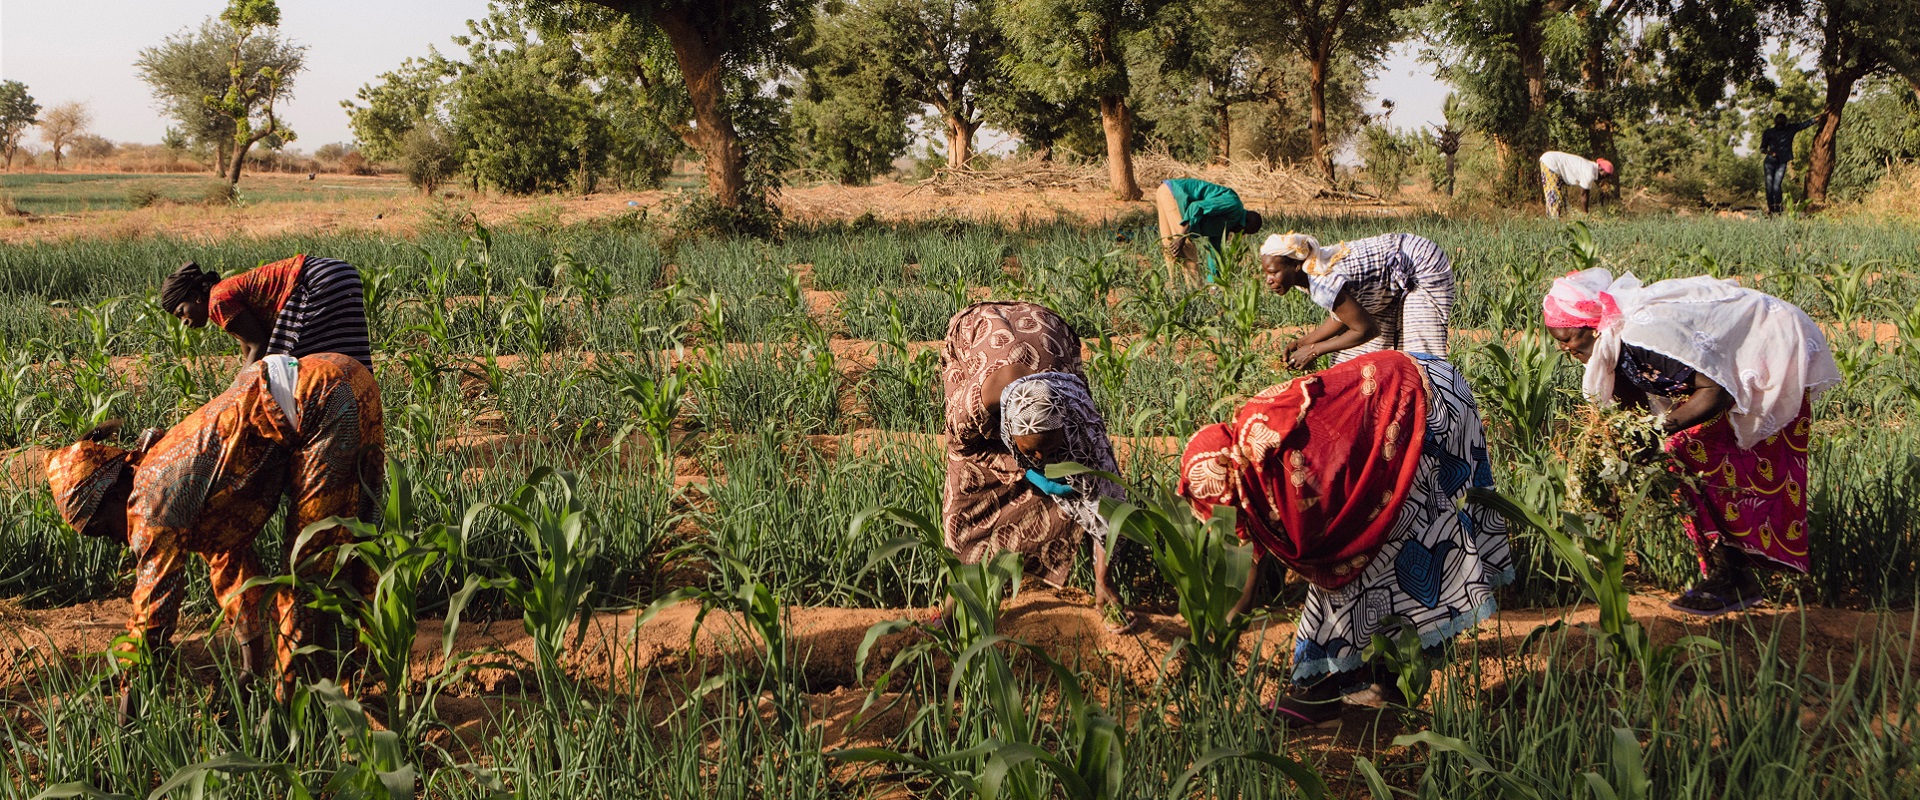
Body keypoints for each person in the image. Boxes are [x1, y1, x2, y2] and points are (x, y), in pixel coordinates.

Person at [1180, 351, 1512, 725]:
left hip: (1421, 407)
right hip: (1416, 387)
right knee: (1383, 551)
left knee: (1374, 549)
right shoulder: (1251, 461)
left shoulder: (1283, 467)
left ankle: (1324, 693)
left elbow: (1319, 550)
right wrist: (1218, 645)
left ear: (1228, 488)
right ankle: (1380, 682)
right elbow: (1249, 566)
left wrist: (1217, 651)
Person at [44, 352, 385, 699]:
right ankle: (347, 679)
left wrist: (127, 715)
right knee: (350, 546)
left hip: (323, 402)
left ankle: (295, 709)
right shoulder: (174, 490)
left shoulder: (151, 502)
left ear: (115, 494)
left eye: (104, 529)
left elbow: (152, 621)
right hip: (341, 376)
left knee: (308, 575)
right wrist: (248, 674)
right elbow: (230, 564)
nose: (117, 541)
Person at [1542, 268, 1839, 616]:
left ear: (1593, 327)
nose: (1564, 348)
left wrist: (1659, 430)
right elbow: (1633, 408)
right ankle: (1730, 575)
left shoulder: (1642, 339)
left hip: (1770, 356)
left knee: (1698, 457)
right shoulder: (1609, 352)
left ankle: (1735, 577)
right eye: (1556, 340)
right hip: (1725, 378)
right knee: (1683, 463)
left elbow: (1717, 391)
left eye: (1568, 338)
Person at [942, 301, 1131, 630]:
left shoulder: (1080, 420)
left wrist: (1105, 581)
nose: (1042, 460)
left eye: (1051, 448)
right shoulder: (973, 407)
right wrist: (1022, 469)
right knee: (967, 495)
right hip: (976, 329)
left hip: (1046, 331)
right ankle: (951, 606)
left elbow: (1108, 499)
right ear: (1009, 432)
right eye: (1032, 452)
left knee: (1076, 481)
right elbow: (961, 448)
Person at [1258, 232, 1455, 368]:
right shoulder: (1308, 271)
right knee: (1358, 362)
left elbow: (1367, 329)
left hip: (1420, 264)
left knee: (1421, 361)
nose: (1269, 280)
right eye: (1266, 273)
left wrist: (1315, 350)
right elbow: (1344, 315)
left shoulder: (1321, 281)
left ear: (1294, 266)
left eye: (1274, 272)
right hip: (1384, 280)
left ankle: (1438, 419)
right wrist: (1305, 342)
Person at [160, 255, 373, 369]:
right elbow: (252, 350)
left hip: (315, 281)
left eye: (181, 312)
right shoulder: (226, 293)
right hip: (342, 274)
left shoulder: (217, 301)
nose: (184, 322)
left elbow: (259, 346)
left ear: (196, 297)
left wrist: (235, 394)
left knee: (295, 367)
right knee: (346, 355)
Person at [1153, 178, 1264, 281]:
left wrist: (1214, 284)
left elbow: (1215, 253)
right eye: (1244, 231)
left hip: (1165, 190)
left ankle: (1174, 290)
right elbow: (1196, 207)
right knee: (1186, 247)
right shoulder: (1233, 205)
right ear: (1245, 223)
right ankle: (1195, 293)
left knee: (1170, 247)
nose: (1240, 234)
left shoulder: (1226, 226)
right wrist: (1182, 237)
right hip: (1175, 193)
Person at [1761, 113, 1821, 214]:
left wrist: (1815, 120)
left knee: (1776, 186)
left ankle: (1778, 209)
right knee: (1769, 187)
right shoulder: (1768, 132)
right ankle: (1771, 209)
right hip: (1770, 162)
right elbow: (1762, 148)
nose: (1780, 124)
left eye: (1782, 122)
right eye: (1778, 122)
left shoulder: (1790, 129)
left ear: (1785, 123)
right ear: (1775, 122)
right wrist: (1770, 152)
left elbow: (1803, 125)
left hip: (1782, 162)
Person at [1538, 151, 1614, 218]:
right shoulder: (1590, 172)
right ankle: (1553, 222)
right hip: (1551, 162)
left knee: (1561, 198)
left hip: (1553, 164)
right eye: (1606, 175)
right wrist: (1586, 214)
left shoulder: (1591, 168)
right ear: (1601, 169)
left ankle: (1554, 219)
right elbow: (1584, 194)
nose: (1605, 178)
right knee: (1554, 196)